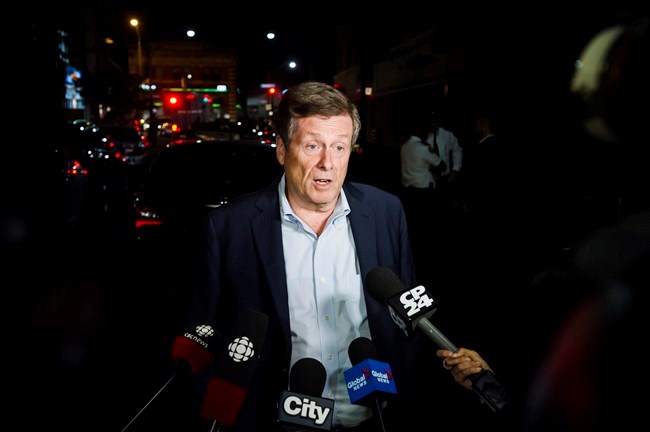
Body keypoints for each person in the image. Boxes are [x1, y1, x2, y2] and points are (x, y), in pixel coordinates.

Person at [182, 81, 497, 431]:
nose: (327, 163)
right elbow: (202, 340)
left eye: (339, 147)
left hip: (373, 417)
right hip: (273, 424)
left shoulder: (385, 212)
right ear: (283, 150)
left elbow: (407, 319)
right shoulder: (229, 228)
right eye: (312, 145)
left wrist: (451, 364)